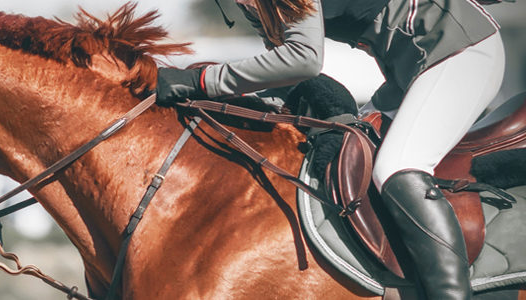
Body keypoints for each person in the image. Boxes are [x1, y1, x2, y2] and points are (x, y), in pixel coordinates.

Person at [156, 0, 505, 298]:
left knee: (397, 170)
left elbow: (304, 59)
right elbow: (284, 72)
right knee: (356, 151)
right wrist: (213, 93)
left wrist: (203, 80)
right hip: (410, 72)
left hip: (461, 51)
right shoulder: (253, 4)